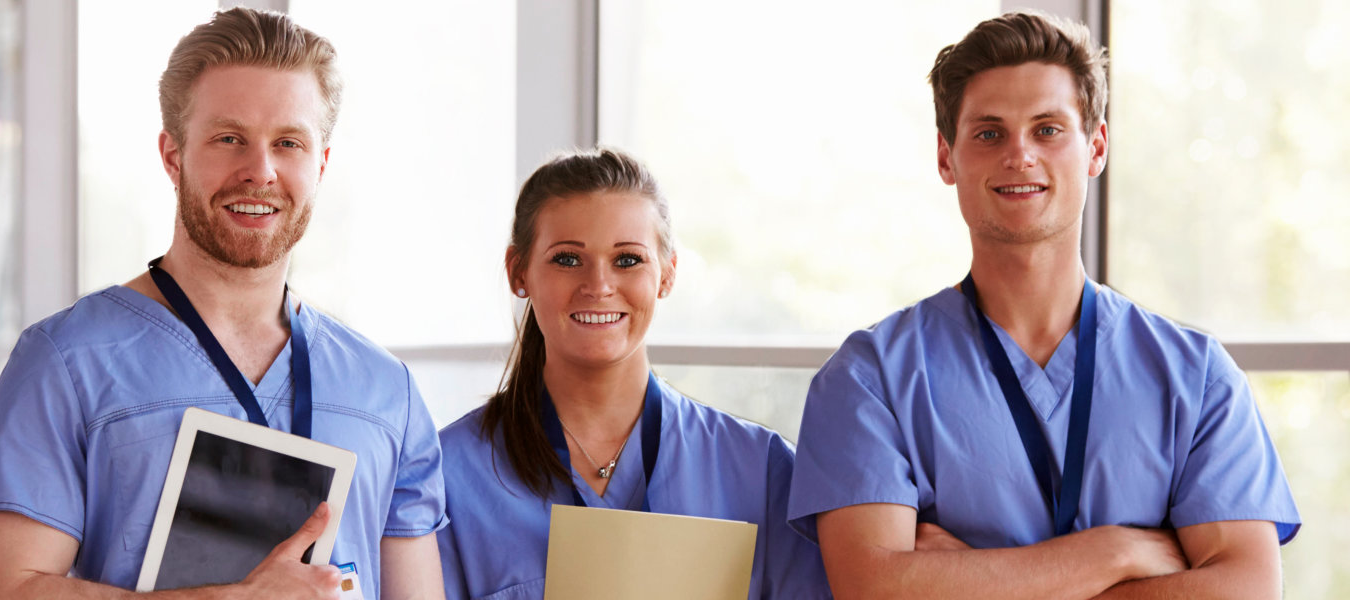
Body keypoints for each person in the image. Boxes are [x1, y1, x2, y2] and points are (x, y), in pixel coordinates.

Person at [786, 11, 1300, 598]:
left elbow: (1246, 589)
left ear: (1096, 146)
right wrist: (1118, 551)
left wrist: (967, 579)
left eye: (1048, 129)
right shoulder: (869, 379)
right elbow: (876, 588)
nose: (1019, 155)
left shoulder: (1198, 377)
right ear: (946, 157)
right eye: (988, 133)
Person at [0, 7, 446, 600]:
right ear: (173, 155)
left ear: (319, 163)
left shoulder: (383, 390)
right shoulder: (65, 363)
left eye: (288, 142)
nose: (260, 171)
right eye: (229, 139)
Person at [435, 149, 830, 599]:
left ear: (667, 274)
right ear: (518, 271)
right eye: (567, 259)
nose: (599, 286)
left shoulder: (761, 471)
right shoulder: (447, 477)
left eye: (627, 260)